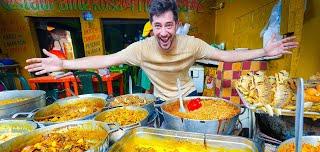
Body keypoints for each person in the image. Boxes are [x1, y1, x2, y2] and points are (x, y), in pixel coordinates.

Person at [25, 0, 298, 101]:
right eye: (158, 26)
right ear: (152, 27)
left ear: (177, 25)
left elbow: (227, 57)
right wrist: (64, 65)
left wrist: (263, 52)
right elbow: (105, 58)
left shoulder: (192, 44)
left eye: (169, 25)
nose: (164, 31)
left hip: (190, 95)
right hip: (160, 100)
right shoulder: (141, 49)